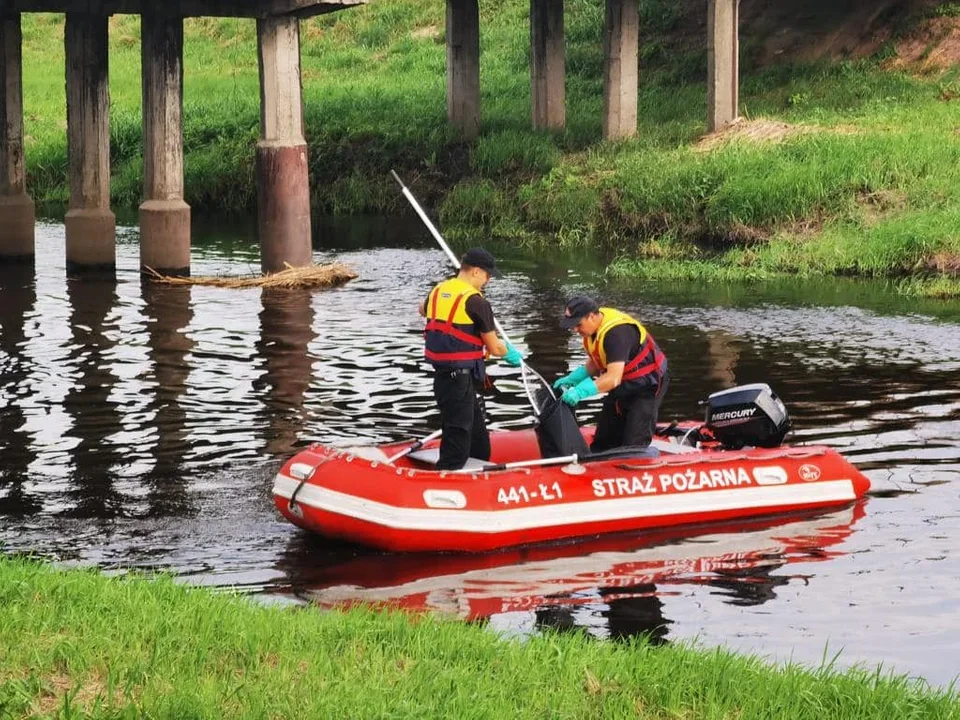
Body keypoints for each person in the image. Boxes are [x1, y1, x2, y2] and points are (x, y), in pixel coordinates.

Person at [419, 247, 523, 470]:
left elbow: (422, 309)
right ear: (476, 271)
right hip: (458, 378)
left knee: (477, 437)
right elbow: (494, 347)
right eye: (488, 275)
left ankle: (480, 472)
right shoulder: (477, 302)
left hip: (446, 378)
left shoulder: (438, 290)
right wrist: (511, 352)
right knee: (458, 435)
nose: (488, 281)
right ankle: (446, 478)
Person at [554, 295, 669, 452]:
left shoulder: (616, 335)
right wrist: (574, 378)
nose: (574, 329)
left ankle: (635, 463)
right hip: (623, 384)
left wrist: (579, 392)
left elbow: (612, 378)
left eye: (577, 324)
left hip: (647, 385)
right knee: (603, 441)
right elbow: (598, 362)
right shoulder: (592, 330)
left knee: (633, 443)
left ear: (592, 316)